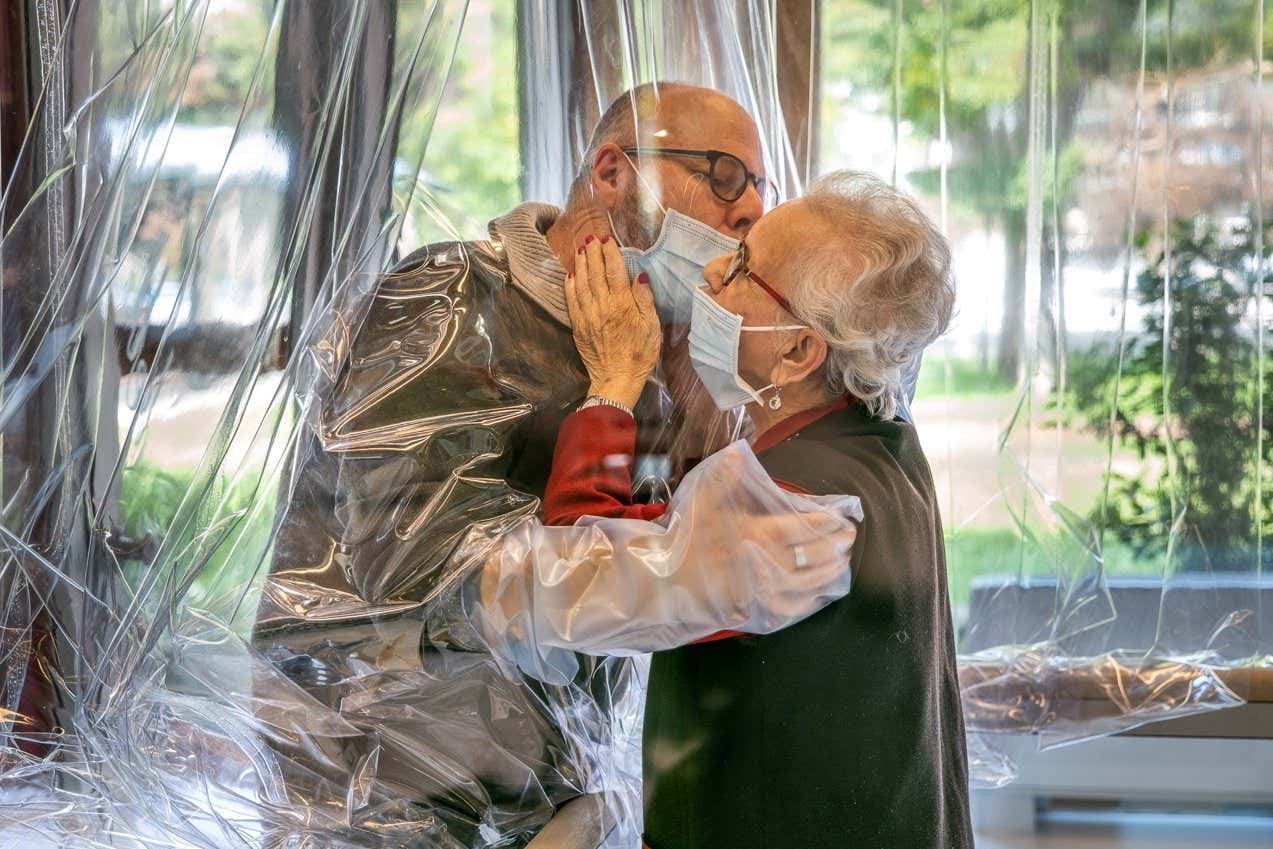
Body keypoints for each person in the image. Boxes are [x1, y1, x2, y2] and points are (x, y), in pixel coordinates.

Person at [252, 83, 857, 847]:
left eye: (760, 191)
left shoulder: (658, 348)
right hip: (384, 786)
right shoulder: (446, 299)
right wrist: (613, 393)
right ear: (612, 172)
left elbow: (660, 548)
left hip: (544, 789)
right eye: (725, 176)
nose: (749, 213)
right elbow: (415, 568)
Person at [543, 170, 974, 849]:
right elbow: (694, 549)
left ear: (799, 350)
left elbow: (572, 584)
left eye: (743, 266)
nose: (713, 263)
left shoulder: (797, 505)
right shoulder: (876, 437)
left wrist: (611, 388)